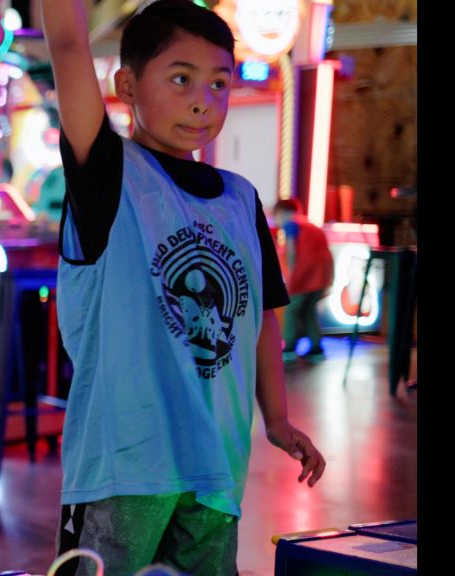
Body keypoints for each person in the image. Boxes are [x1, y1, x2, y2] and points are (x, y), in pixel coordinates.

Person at [40, 1, 326, 574]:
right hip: (124, 469)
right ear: (126, 86)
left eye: (219, 83)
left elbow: (262, 317)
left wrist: (276, 419)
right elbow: (68, 44)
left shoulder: (241, 198)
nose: (203, 100)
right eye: (180, 79)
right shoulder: (109, 174)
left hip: (216, 468)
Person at [273, 198, 335, 361]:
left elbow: (291, 251)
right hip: (322, 277)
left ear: (282, 213)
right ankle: (316, 349)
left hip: (305, 277)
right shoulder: (311, 225)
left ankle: (289, 348)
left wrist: (291, 276)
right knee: (309, 311)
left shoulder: (291, 225)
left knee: (291, 312)